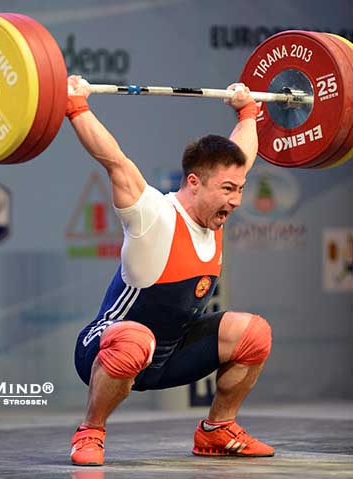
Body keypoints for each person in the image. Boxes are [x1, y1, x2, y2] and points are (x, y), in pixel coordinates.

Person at [66, 75, 274, 466]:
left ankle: (217, 430)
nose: (237, 200)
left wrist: (248, 112)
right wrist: (76, 106)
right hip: (106, 349)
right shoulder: (153, 214)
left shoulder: (215, 218)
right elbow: (114, 161)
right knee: (134, 339)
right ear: (194, 183)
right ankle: (90, 431)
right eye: (228, 189)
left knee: (254, 333)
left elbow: (242, 154)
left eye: (240, 189)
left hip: (169, 355)